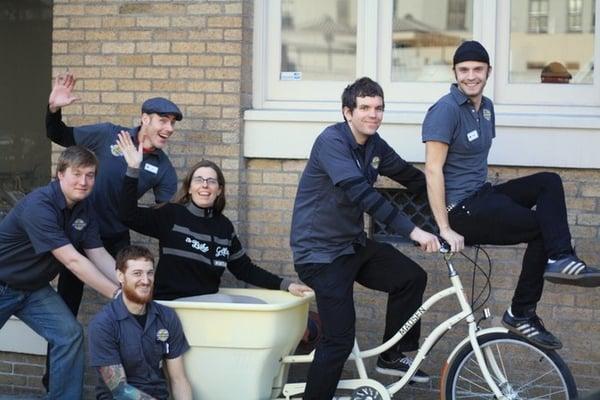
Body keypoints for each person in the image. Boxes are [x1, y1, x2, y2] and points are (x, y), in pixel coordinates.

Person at [422, 40, 600, 351]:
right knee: (542, 226)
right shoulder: (445, 111)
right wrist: (445, 228)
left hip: (481, 195)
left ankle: (560, 257)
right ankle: (521, 312)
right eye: (463, 70)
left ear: (488, 72)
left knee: (548, 182)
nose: (471, 76)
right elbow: (433, 171)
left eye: (477, 69)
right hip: (460, 209)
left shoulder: (486, 108)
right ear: (455, 72)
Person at [290, 77, 440, 399]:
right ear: (348, 112)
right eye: (365, 108)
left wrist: (451, 200)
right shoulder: (331, 142)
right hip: (320, 256)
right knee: (339, 341)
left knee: (411, 277)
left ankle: (392, 355)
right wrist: (414, 231)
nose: (373, 114)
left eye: (379, 108)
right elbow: (362, 195)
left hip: (352, 247)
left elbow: (409, 176)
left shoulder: (374, 145)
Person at [44, 72, 182, 388]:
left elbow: (161, 221)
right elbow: (59, 134)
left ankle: (130, 386)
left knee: (132, 307)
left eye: (173, 122)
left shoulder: (162, 168)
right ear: (144, 119)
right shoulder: (109, 135)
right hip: (78, 237)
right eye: (163, 120)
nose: (169, 128)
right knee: (64, 314)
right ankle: (53, 384)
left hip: (116, 241)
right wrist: (53, 109)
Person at [115, 132, 313, 301]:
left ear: (219, 190)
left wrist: (286, 285)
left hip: (208, 306)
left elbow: (244, 269)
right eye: (199, 180)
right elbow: (127, 215)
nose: (205, 185)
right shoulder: (171, 215)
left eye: (211, 181)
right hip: (171, 305)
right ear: (190, 188)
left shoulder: (224, 228)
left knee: (252, 305)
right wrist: (133, 169)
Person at [0, 146, 120, 399]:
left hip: (33, 290)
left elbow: (97, 253)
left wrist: (126, 284)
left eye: (90, 175)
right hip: (2, 284)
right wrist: (118, 295)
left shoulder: (84, 209)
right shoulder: (39, 205)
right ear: (60, 174)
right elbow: (72, 261)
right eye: (77, 174)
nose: (84, 182)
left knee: (69, 334)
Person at [88, 245, 192, 400]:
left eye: (150, 273)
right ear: (120, 276)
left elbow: (179, 379)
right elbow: (120, 391)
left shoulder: (166, 317)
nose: (145, 281)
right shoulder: (103, 324)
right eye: (137, 273)